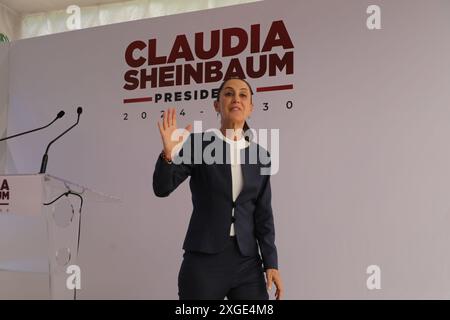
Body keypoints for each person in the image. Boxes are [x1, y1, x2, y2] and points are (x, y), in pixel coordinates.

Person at [153, 77, 283, 300]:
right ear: (217, 104)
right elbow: (162, 188)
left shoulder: (261, 156)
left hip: (247, 262)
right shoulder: (198, 145)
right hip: (204, 260)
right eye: (229, 93)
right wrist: (168, 155)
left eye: (243, 95)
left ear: (250, 107)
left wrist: (271, 262)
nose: (236, 99)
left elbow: (263, 214)